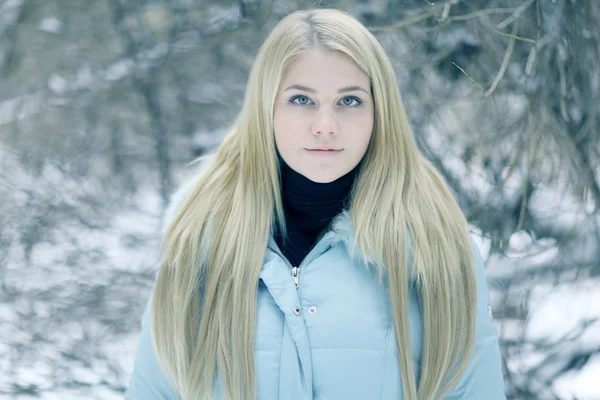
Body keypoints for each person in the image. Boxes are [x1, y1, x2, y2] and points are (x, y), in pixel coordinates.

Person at [125, 8, 506, 400]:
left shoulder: (433, 241)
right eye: (302, 99)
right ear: (266, 108)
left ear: (380, 111)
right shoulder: (200, 236)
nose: (326, 125)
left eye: (350, 101)